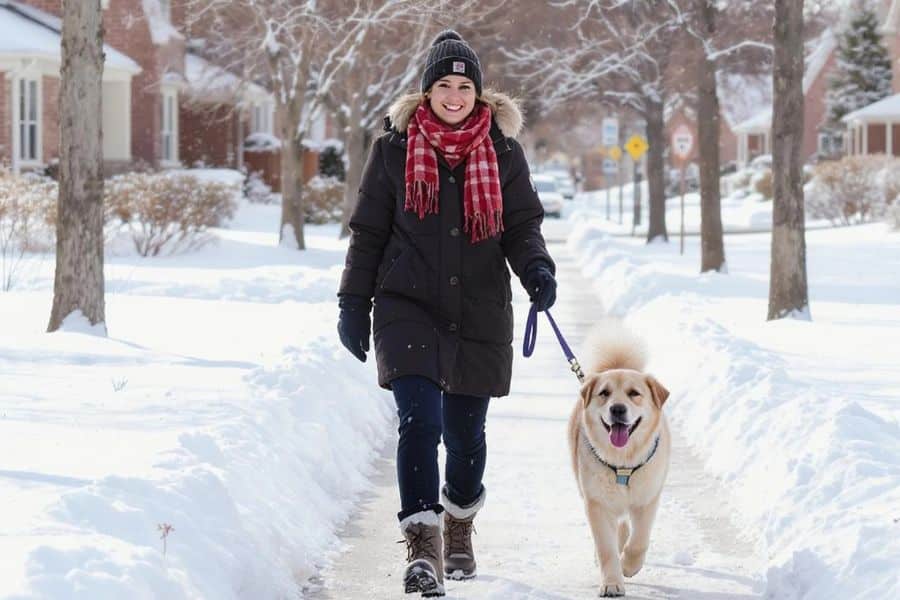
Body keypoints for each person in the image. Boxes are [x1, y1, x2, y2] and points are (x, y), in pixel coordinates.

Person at [337, 29, 557, 597]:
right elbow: (367, 234)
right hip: (406, 304)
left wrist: (536, 269)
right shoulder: (392, 149)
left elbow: (521, 226)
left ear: (479, 95)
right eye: (444, 85)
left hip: (480, 308)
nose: (454, 95)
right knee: (420, 422)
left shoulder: (503, 153)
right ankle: (423, 547)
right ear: (426, 92)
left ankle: (459, 519)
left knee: (464, 438)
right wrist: (352, 304)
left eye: (464, 86)